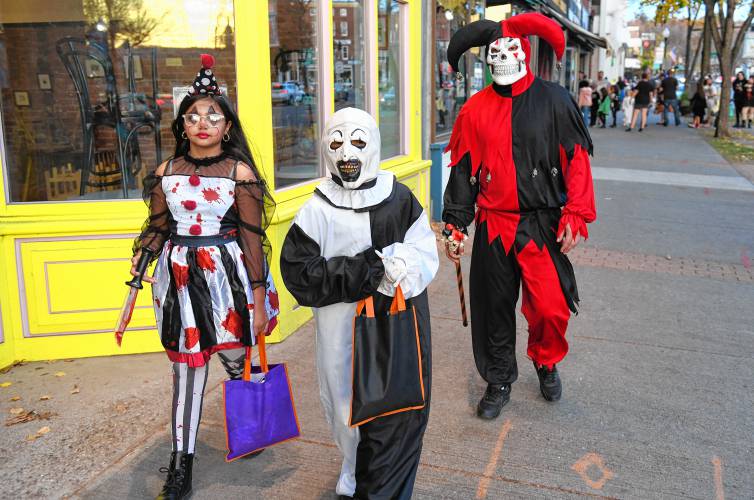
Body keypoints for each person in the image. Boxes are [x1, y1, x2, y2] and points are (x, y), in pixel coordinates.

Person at [131, 54, 279, 500]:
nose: (202, 123)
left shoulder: (241, 175)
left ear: (226, 127)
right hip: (178, 280)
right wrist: (143, 258)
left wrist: (256, 297)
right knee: (188, 374)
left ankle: (246, 421)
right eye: (192, 116)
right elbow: (158, 226)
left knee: (235, 358)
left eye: (212, 116)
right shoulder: (165, 174)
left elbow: (253, 239)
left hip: (227, 278)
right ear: (182, 126)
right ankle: (181, 465)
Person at [443, 13, 596, 420]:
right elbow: (463, 170)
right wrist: (456, 223)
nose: (502, 57)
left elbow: (577, 161)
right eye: (495, 52)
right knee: (493, 308)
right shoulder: (474, 110)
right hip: (494, 224)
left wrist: (575, 214)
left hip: (540, 224)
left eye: (509, 49)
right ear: (488, 59)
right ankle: (499, 379)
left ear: (523, 53)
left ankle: (545, 360)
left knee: (550, 307)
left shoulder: (555, 100)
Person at [280, 108, 438, 498]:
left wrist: (404, 263)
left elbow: (424, 251)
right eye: (336, 142)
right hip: (339, 328)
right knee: (341, 401)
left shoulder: (399, 198)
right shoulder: (317, 209)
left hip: (393, 324)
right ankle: (352, 468)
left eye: (357, 141)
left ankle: (380, 481)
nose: (347, 151)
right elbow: (299, 272)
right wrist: (365, 271)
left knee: (392, 405)